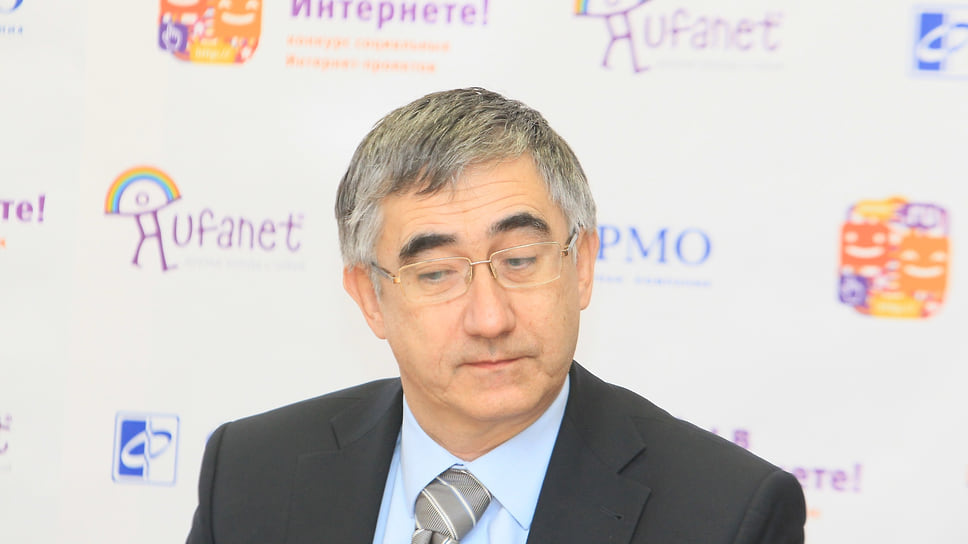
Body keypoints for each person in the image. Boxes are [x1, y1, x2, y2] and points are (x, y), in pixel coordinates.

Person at [186, 87, 806, 544]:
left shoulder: (728, 514)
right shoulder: (251, 474)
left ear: (581, 265)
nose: (489, 318)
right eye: (436, 273)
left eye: (520, 260)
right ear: (370, 297)